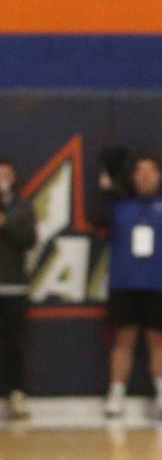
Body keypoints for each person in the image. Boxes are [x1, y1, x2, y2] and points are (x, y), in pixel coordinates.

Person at [103, 154, 162, 419]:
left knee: (160, 341)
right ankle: (116, 397)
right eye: (139, 172)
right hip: (124, 284)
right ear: (133, 177)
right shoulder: (120, 207)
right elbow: (95, 220)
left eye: (150, 171)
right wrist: (107, 187)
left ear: (159, 175)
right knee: (123, 340)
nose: (145, 176)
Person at [0, 159, 36, 420]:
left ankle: (15, 394)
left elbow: (29, 240)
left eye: (6, 174)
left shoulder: (23, 207)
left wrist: (5, 223)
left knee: (13, 344)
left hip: (13, 286)